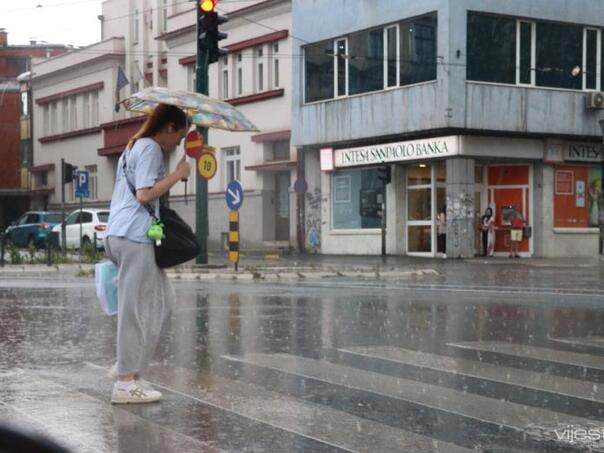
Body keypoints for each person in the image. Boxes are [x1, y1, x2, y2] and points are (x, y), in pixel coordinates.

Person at [104, 104, 190, 404]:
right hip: (133, 236)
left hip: (124, 233)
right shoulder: (150, 148)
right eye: (179, 137)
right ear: (168, 127)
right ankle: (125, 382)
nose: (177, 143)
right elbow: (144, 194)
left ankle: (130, 368)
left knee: (164, 302)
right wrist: (178, 174)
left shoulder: (134, 147)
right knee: (135, 309)